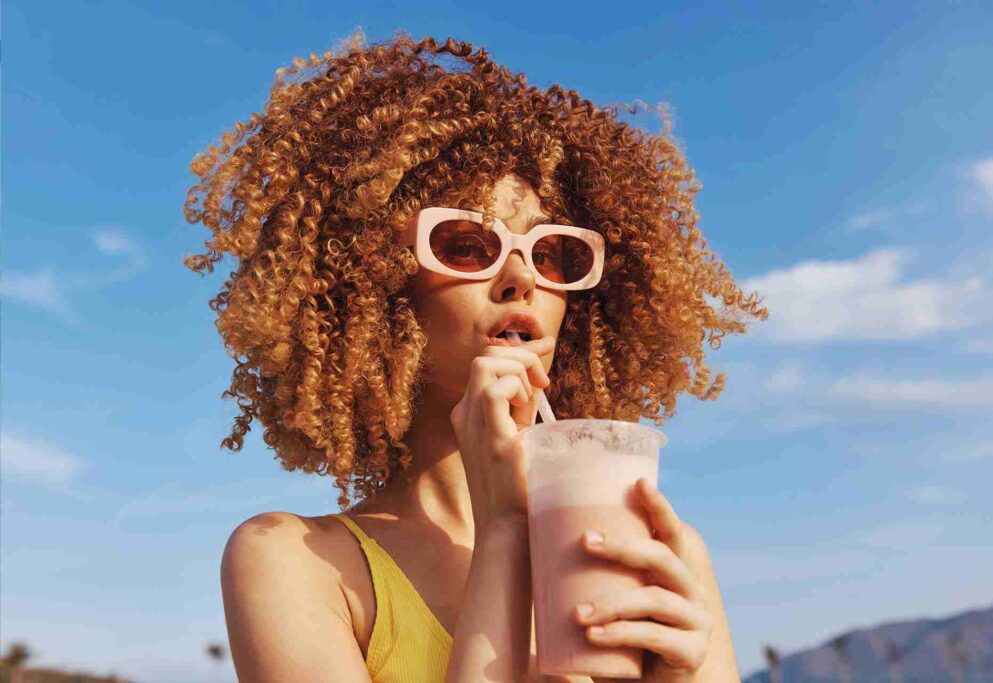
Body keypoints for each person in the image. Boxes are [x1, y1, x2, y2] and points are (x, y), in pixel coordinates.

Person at [183, 29, 768, 683]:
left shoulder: (663, 557)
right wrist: (504, 532)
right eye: (466, 243)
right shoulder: (292, 561)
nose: (522, 277)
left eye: (551, 253)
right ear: (373, 284)